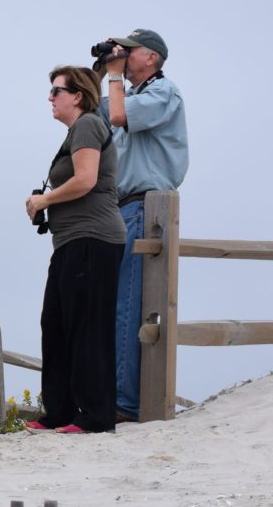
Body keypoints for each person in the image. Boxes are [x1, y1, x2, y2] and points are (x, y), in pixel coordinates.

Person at [93, 29, 189, 422]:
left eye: (128, 52)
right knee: (111, 301)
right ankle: (112, 395)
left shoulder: (163, 93)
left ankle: (124, 402)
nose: (123, 58)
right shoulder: (127, 94)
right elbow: (83, 110)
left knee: (127, 306)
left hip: (145, 208)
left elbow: (117, 116)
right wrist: (100, 70)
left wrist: (114, 76)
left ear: (151, 57)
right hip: (120, 208)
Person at [23, 66, 126, 435]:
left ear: (77, 95)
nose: (50, 98)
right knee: (56, 323)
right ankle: (60, 411)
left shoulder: (87, 124)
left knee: (87, 327)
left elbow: (86, 179)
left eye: (56, 91)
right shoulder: (75, 131)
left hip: (93, 238)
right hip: (71, 241)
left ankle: (96, 415)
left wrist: (43, 199)